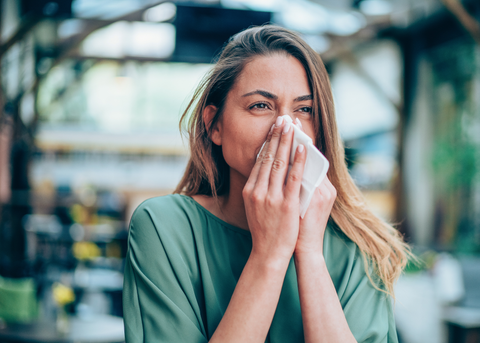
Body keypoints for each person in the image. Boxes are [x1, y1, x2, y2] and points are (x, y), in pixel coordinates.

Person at [123, 25, 410, 343]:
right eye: (260, 105)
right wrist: (269, 255)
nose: (286, 127)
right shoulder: (163, 227)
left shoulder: (357, 244)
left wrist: (310, 253)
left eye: (304, 110)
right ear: (214, 125)